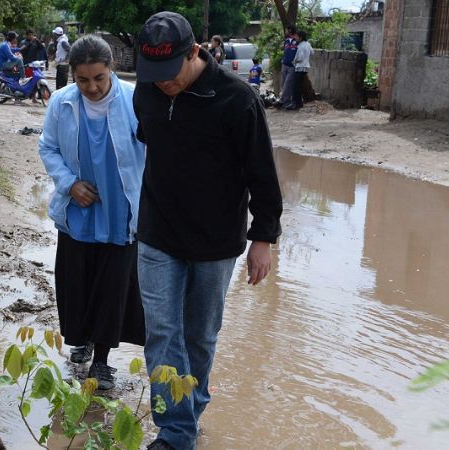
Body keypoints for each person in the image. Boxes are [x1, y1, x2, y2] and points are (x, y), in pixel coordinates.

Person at [132, 12, 282, 450]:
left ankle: (190, 411)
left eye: (170, 71)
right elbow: (149, 141)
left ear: (194, 52)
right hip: (158, 232)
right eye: (153, 73)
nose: (163, 82)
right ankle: (176, 433)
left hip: (215, 242)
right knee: (162, 332)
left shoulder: (237, 100)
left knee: (199, 335)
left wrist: (262, 239)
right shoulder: (147, 90)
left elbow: (262, 173)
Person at [38, 34, 146, 391]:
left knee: (113, 288)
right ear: (73, 76)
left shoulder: (135, 99)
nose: (92, 87)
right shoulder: (62, 102)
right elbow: (48, 148)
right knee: (77, 282)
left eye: (99, 78)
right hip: (79, 210)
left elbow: (154, 149)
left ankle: (101, 360)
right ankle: (81, 340)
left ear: (111, 69)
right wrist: (70, 184)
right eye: (83, 80)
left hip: (120, 211)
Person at [286, 30, 312, 110]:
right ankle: (299, 103)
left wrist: (294, 61)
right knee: (299, 86)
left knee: (296, 86)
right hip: (305, 66)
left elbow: (300, 58)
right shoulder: (308, 44)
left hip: (300, 67)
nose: (295, 38)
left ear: (300, 37)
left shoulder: (301, 46)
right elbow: (312, 52)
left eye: (297, 36)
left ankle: (295, 104)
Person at [277, 25, 298, 107]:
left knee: (287, 83)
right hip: (285, 64)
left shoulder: (297, 41)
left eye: (286, 30)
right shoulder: (286, 41)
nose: (285, 32)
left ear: (290, 30)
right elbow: (285, 52)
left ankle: (282, 101)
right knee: (283, 83)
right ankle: (286, 100)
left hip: (293, 66)